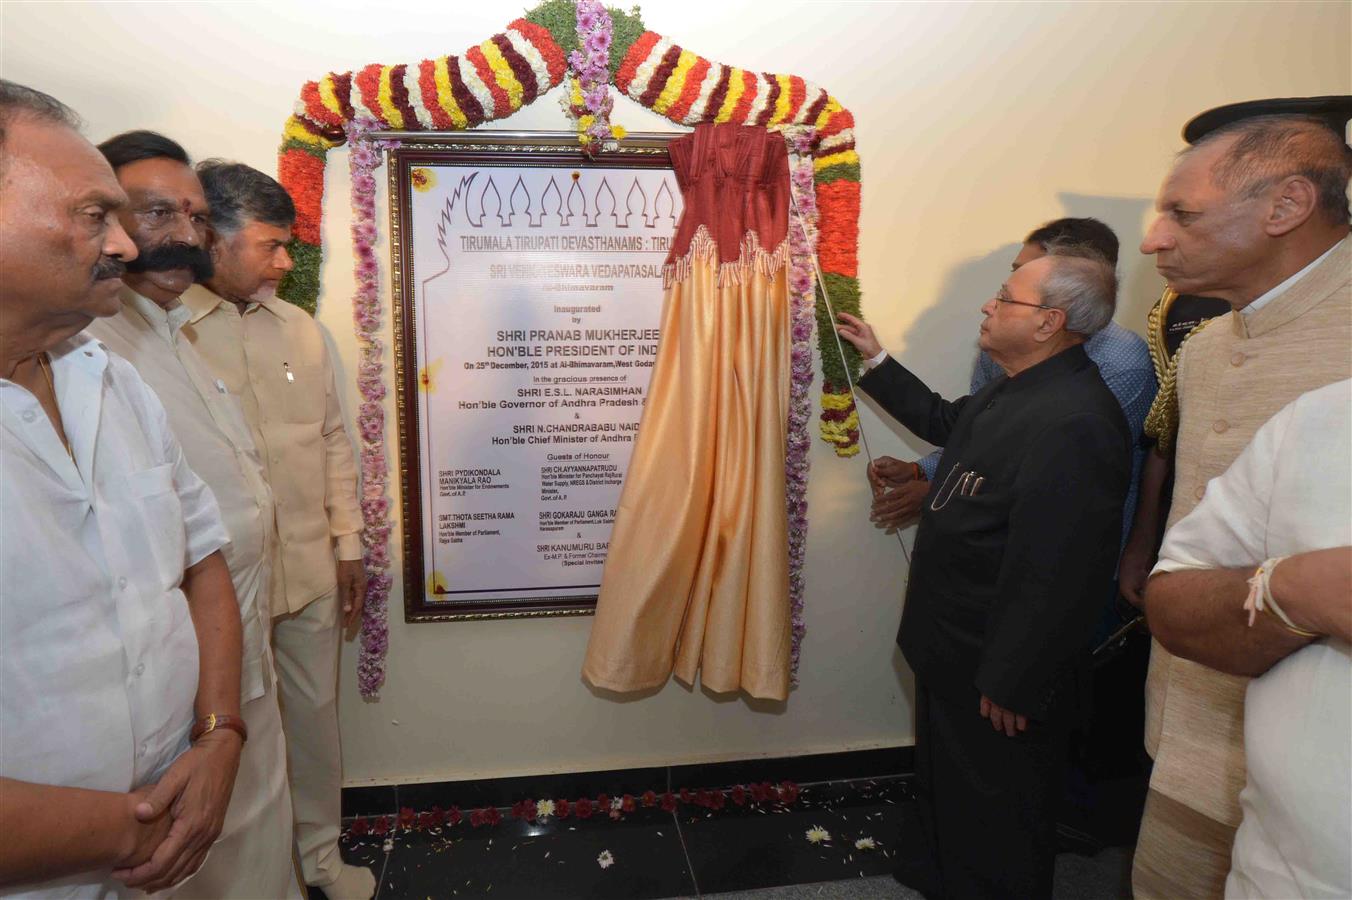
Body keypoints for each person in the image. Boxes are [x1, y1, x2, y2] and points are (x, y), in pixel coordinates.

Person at [0, 81, 242, 897]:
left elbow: (202, 560)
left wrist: (217, 740)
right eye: (92, 216)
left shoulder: (112, 382)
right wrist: (149, 823)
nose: (129, 247)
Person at [836, 246, 1132, 899]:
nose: (988, 305)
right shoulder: (1019, 387)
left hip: (999, 670)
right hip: (956, 649)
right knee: (955, 796)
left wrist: (1015, 679)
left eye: (1005, 297)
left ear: (1049, 322)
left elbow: (1059, 571)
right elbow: (950, 423)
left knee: (999, 818)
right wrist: (876, 359)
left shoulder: (1076, 420)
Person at [1132, 99, 1352, 898]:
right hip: (1190, 717)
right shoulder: (1209, 345)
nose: (1154, 238)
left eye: (1180, 214)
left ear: (1287, 206)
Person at [85, 130, 300, 899]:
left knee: (254, 824)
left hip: (236, 639)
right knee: (211, 854)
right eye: (154, 214)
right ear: (103, 222)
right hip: (183, 674)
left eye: (194, 215)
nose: (181, 234)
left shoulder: (168, 332)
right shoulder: (90, 346)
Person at [178, 161, 374, 900]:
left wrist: (348, 543)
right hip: (219, 589)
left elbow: (331, 442)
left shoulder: (301, 330)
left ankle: (320, 857)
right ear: (211, 239)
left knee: (316, 723)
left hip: (311, 571)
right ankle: (245, 877)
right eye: (270, 245)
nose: (287, 262)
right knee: (233, 737)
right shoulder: (159, 339)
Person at [1146, 379, 1351, 898]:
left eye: (1006, 299)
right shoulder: (1320, 416)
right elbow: (1171, 597)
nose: (990, 309)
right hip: (1276, 873)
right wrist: (1290, 592)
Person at [870, 217, 1154, 576]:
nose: (990, 304)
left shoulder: (1119, 368)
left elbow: (1035, 485)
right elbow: (970, 430)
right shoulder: (1003, 350)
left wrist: (933, 493)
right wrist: (919, 469)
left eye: (1009, 294)